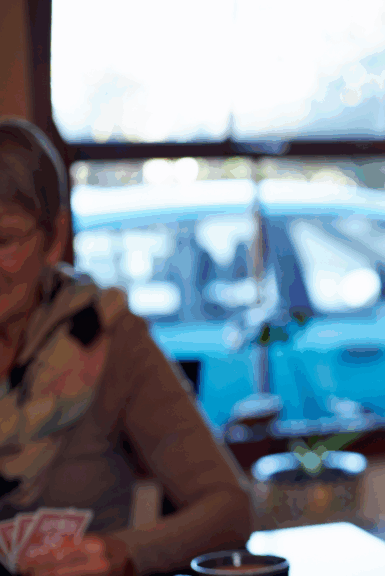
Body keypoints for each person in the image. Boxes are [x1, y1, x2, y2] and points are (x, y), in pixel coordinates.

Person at [0, 117, 253, 575]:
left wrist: (119, 553)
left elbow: (229, 508)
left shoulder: (107, 337)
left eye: (3, 240)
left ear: (54, 238)